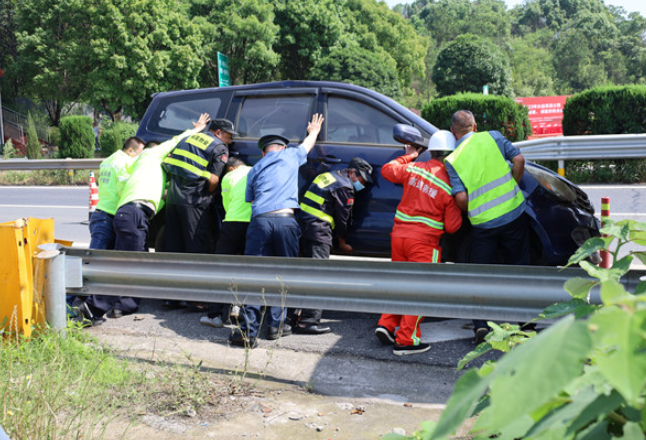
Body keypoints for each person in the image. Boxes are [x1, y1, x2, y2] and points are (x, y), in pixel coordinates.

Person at [74, 114, 212, 322]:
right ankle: (93, 307)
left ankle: (122, 305)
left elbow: (154, 196)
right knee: (127, 265)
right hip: (133, 214)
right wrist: (196, 129)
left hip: (129, 215)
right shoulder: (151, 156)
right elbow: (175, 141)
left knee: (133, 260)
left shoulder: (142, 168)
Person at [229, 113, 324, 348]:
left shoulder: (254, 169)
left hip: (260, 221)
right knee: (283, 274)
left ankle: (248, 333)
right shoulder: (290, 155)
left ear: (263, 152)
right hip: (285, 220)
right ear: (282, 147)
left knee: (254, 276)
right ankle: (275, 327)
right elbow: (308, 145)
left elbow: (250, 201)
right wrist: (313, 130)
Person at [374, 130, 463, 356]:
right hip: (423, 243)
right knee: (420, 290)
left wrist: (409, 155)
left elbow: (387, 170)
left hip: (399, 237)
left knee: (400, 283)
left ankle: (386, 324)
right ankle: (406, 341)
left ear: (431, 151)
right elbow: (453, 227)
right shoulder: (450, 186)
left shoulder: (413, 169)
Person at [444, 110, 529, 345]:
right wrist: (513, 187)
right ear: (475, 125)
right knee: (519, 267)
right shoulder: (492, 136)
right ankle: (522, 320)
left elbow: (461, 199)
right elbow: (519, 160)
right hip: (513, 214)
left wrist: (479, 206)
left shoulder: (452, 159)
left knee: (480, 273)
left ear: (454, 132)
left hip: (483, 224)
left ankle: (481, 325)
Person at [293, 156, 374, 335]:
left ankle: (295, 315)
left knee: (305, 274)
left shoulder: (329, 176)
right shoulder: (345, 186)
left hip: (303, 227)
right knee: (318, 276)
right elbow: (342, 219)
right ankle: (308, 321)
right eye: (361, 179)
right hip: (318, 230)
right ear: (352, 172)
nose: (362, 184)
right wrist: (342, 242)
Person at [161, 118, 236, 309]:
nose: (230, 141)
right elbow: (213, 179)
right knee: (196, 248)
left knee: (173, 247)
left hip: (173, 200)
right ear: (218, 132)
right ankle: (196, 299)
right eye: (228, 136)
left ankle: (171, 297)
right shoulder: (219, 147)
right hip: (194, 202)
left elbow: (168, 164)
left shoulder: (188, 139)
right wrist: (209, 194)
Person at [71, 136, 145, 326]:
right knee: (91, 264)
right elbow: (124, 186)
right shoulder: (125, 162)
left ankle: (84, 303)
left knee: (97, 262)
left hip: (102, 214)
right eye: (140, 153)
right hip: (108, 216)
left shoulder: (108, 160)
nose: (140, 157)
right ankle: (67, 304)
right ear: (131, 150)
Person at [200, 156, 252, 328]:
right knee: (248, 269)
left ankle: (215, 315)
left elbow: (227, 205)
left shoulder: (229, 177)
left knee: (222, 268)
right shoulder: (255, 171)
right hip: (253, 224)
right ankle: (241, 309)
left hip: (232, 224)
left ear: (230, 168)